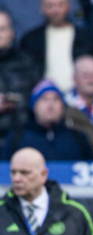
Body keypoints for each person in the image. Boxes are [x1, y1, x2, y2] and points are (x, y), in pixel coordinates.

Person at [3, 80, 93, 160]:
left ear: (63, 107)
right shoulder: (17, 138)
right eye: (44, 99)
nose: (51, 105)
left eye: (56, 99)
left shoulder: (78, 138)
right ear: (33, 106)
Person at [20, 0, 91, 92]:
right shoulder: (31, 40)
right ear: (42, 9)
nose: (55, 10)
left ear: (68, 6)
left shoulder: (85, 38)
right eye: (50, 6)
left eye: (60, 5)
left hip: (78, 97)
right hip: (44, 98)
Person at [0, 10, 39, 156]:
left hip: (22, 135)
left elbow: (38, 99)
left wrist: (16, 101)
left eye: (3, 29)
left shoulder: (27, 62)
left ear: (12, 32)